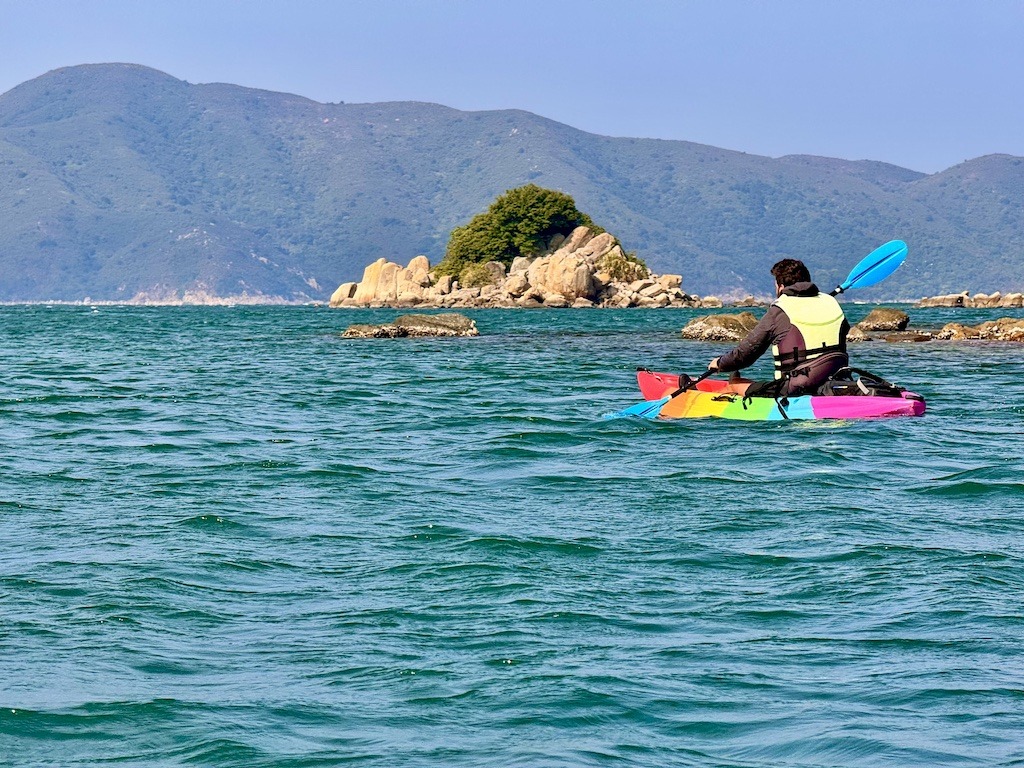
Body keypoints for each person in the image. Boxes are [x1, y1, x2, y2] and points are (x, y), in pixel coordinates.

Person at [707, 258, 850, 397]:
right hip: (837, 381)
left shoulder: (780, 310)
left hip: (795, 389)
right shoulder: (830, 302)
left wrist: (720, 363)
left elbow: (746, 354)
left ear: (781, 286)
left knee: (734, 384)